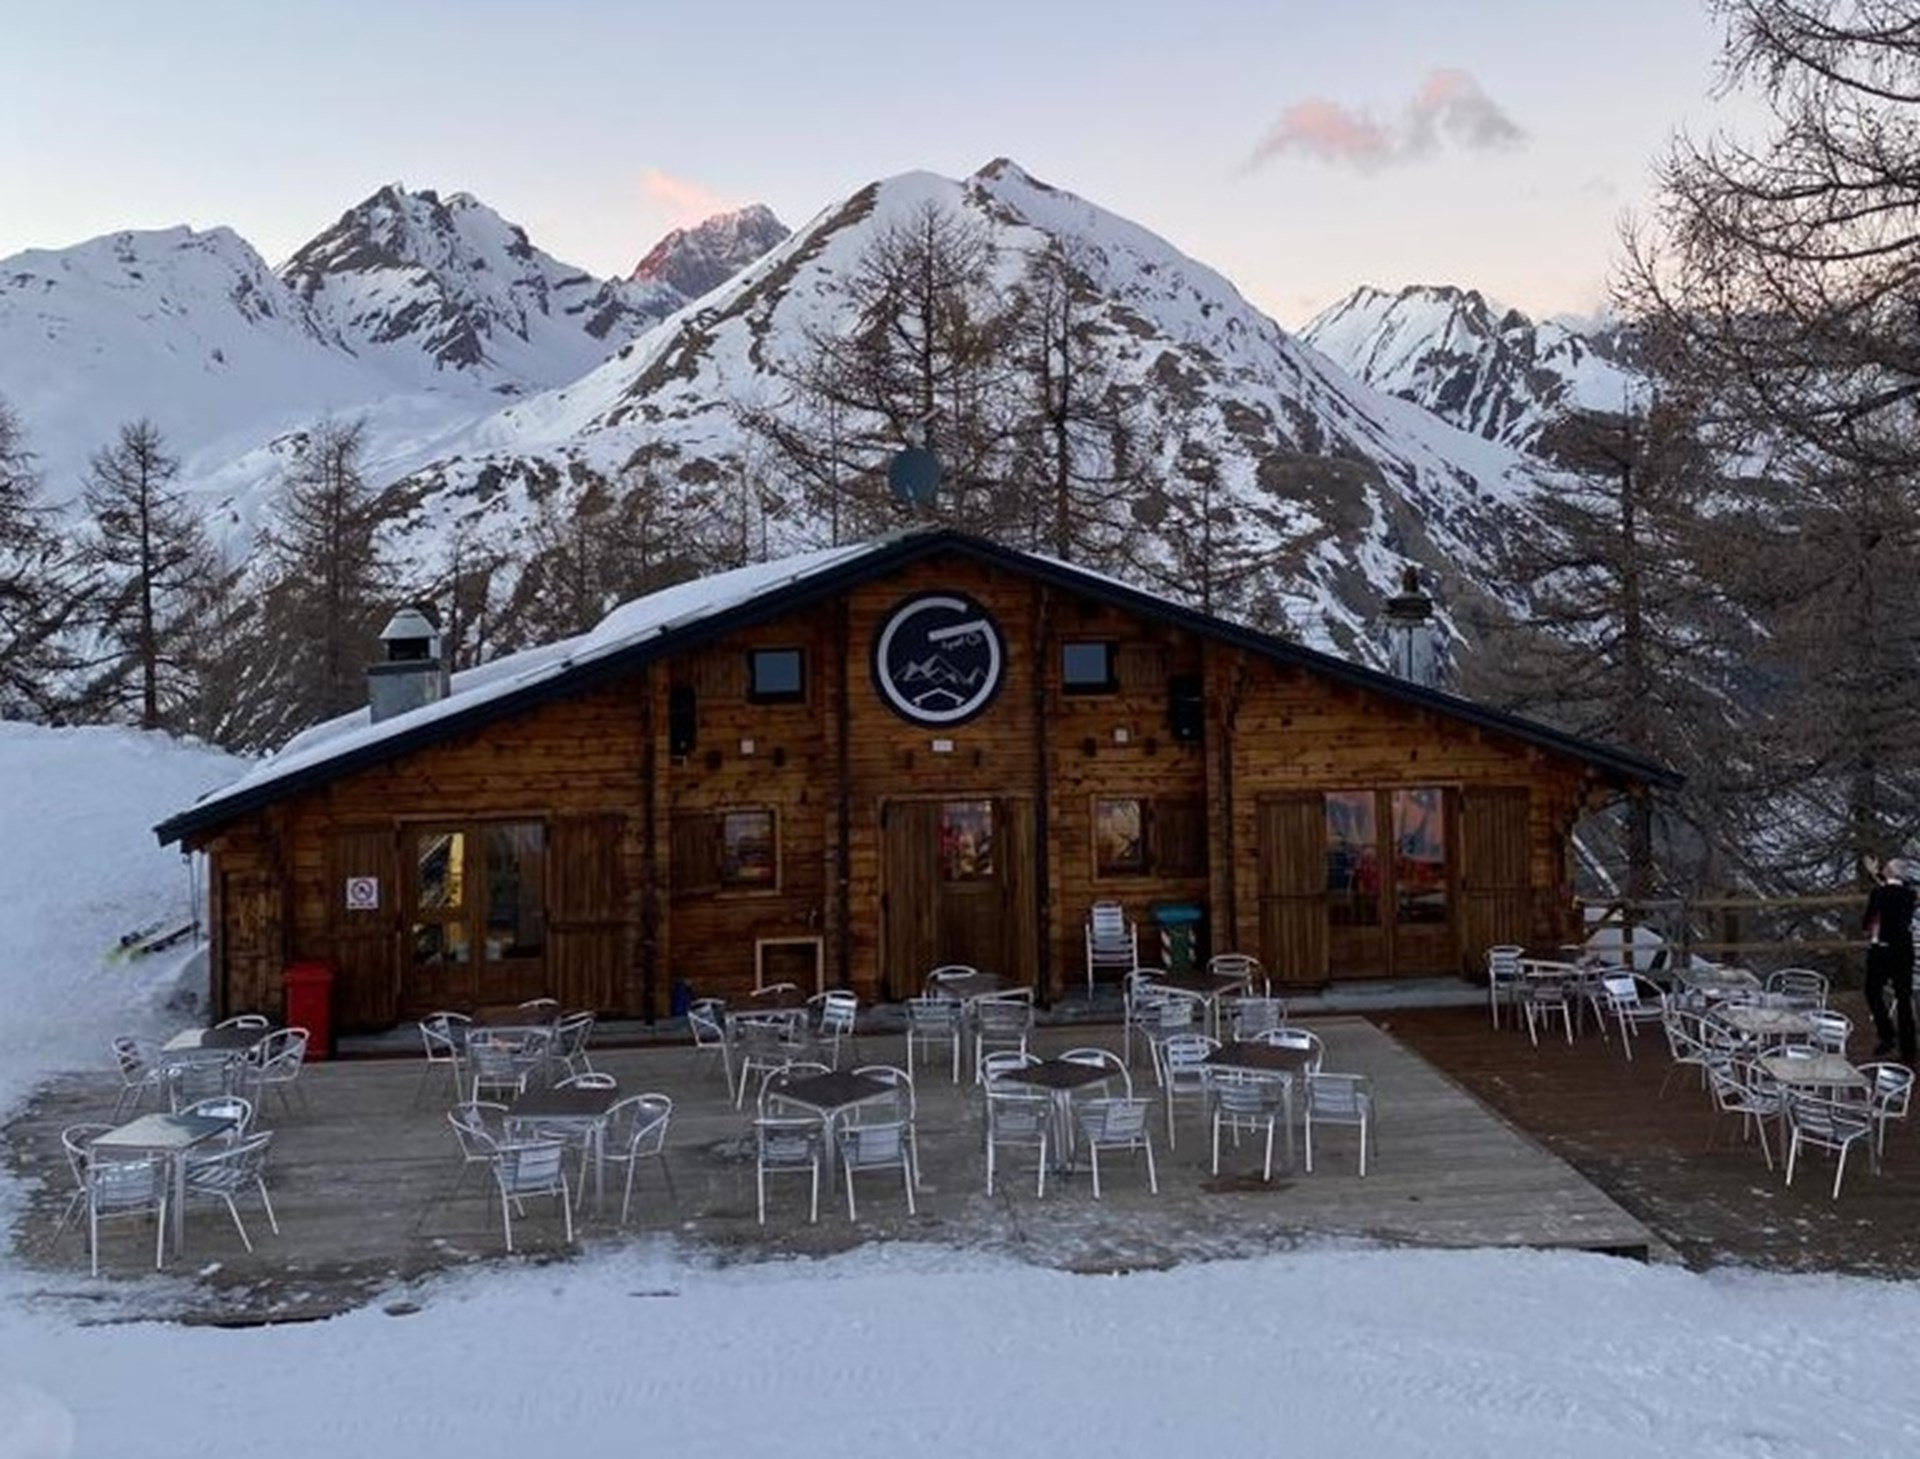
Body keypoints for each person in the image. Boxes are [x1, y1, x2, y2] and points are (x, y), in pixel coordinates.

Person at [1863, 857, 1917, 1061]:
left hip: (1882, 950)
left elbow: (1867, 921)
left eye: (1886, 868)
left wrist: (1869, 926)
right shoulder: (1910, 895)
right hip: (1904, 950)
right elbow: (1893, 889)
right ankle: (1908, 1049)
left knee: (1872, 991)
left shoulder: (1878, 894)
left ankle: (1887, 1034)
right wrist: (1875, 874)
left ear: (1891, 872)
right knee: (1904, 998)